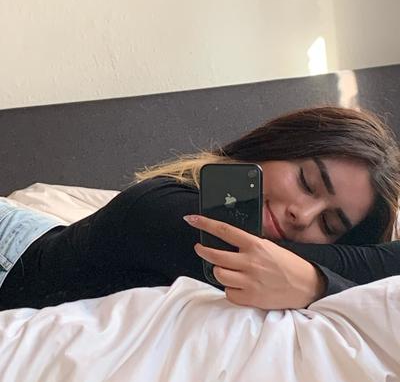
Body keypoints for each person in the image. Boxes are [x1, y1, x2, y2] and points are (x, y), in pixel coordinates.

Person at [0, 106, 399, 311]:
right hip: (11, 248)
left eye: (329, 223)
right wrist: (318, 282)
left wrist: (318, 282)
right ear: (275, 146)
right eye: (307, 182)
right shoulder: (166, 208)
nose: (303, 214)